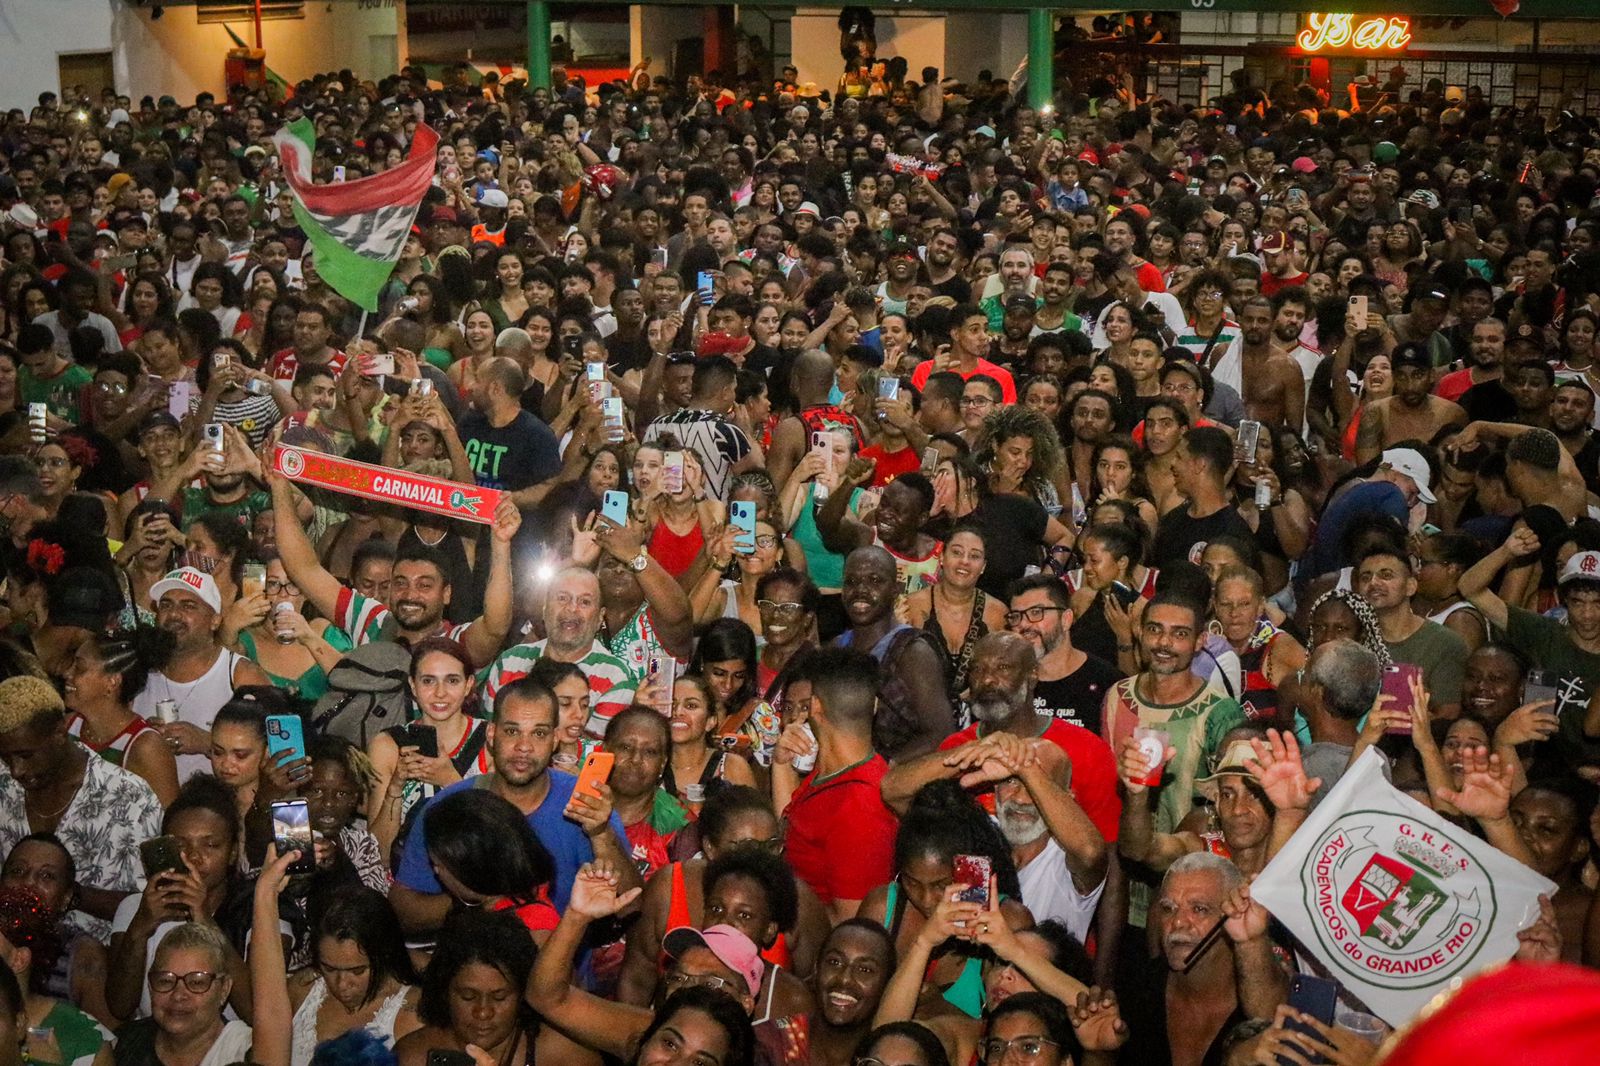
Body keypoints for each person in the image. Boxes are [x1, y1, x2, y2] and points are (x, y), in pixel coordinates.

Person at [389, 676, 639, 934]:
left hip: (567, 970)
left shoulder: (586, 804)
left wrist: (600, 833)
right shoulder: (452, 806)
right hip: (475, 966)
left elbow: (631, 906)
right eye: (512, 731)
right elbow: (404, 908)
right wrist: (479, 898)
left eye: (539, 733)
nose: (524, 747)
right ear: (491, 733)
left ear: (554, 740)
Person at [0, 676, 163, 945]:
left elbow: (149, 903)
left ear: (60, 734)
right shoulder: (4, 783)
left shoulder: (129, 798)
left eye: (26, 755)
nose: (16, 770)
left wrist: (69, 894)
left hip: (99, 968)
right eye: (6, 757)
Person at [1115, 854, 1287, 1066]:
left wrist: (1251, 941)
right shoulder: (1134, 990)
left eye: (1199, 909)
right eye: (1168, 908)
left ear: (1232, 914)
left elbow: (1272, 1020)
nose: (1178, 922)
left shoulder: (1264, 992)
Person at [249, 861, 421, 1066]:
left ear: (382, 955)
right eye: (329, 969)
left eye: (357, 970)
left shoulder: (414, 1013)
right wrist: (265, 892)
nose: (342, 984)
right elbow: (268, 1018)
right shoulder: (302, 989)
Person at [774, 647, 898, 921]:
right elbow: (792, 825)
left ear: (815, 707)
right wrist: (781, 764)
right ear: (875, 705)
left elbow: (854, 924)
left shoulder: (860, 806)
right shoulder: (829, 773)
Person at [130, 567, 271, 780]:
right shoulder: (139, 671)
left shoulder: (240, 675)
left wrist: (208, 743)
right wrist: (141, 736)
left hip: (220, 806)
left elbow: (279, 751)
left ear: (215, 620)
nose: (174, 614)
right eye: (166, 605)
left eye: (188, 606)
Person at [482, 567, 641, 737]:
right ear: (544, 609)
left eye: (584, 602)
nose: (572, 609)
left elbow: (596, 754)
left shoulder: (616, 677)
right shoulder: (510, 661)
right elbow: (492, 738)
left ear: (600, 617)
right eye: (562, 598)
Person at [831, 547, 953, 760]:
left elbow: (940, 734)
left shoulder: (913, 652)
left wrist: (882, 773)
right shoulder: (836, 647)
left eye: (875, 581)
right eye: (851, 581)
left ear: (895, 590)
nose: (861, 590)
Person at [62, 630, 179, 806]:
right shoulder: (66, 727)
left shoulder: (146, 748)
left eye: (79, 667)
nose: (67, 674)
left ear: (112, 682)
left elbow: (171, 822)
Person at [110, 923, 253, 1066]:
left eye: (196, 983)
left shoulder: (245, 1053)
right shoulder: (123, 1046)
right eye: (166, 981)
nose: (178, 995)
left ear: (224, 989)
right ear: (150, 986)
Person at [1354, 545, 1467, 715]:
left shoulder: (1445, 643)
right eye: (1365, 577)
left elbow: (1448, 716)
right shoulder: (1353, 641)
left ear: (1411, 586)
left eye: (1386, 575)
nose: (1373, 583)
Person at [1005, 575, 1123, 736]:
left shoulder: (1108, 684)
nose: (1023, 624)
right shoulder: (1005, 682)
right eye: (1016, 616)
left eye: (1036, 612)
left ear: (1066, 619)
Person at [1151, 427, 1254, 569]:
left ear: (1200, 465)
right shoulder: (1171, 521)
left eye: (1179, 457)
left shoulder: (1234, 533)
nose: (1173, 464)